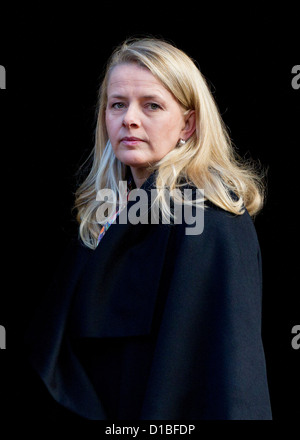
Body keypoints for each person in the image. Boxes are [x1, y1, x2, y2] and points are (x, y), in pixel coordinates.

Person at [24, 37, 272, 420]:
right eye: (117, 104)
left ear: (188, 123)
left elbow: (231, 374)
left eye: (152, 105)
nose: (129, 119)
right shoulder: (102, 218)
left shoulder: (211, 221)